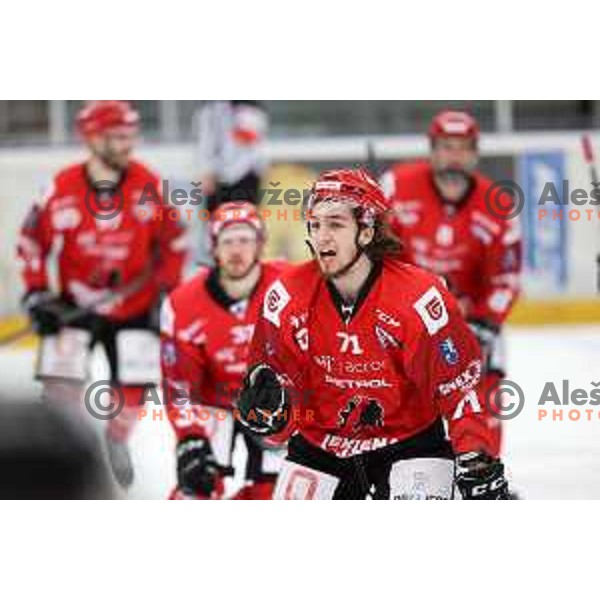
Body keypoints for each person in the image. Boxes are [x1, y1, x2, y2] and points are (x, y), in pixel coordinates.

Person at [237, 168, 509, 500]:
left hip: (410, 441)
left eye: (336, 224)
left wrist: (474, 456)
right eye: (315, 224)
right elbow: (275, 401)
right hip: (320, 444)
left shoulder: (419, 298)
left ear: (366, 231)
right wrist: (272, 419)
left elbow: (458, 387)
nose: (321, 237)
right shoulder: (286, 298)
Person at [16, 100, 187, 489]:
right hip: (74, 307)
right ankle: (72, 447)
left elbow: (174, 243)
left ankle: (116, 439)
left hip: (137, 306)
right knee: (59, 385)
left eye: (131, 136)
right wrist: (37, 294)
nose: (128, 144)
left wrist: (166, 291)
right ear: (91, 138)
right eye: (117, 136)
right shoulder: (60, 188)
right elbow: (31, 242)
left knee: (136, 388)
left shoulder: (150, 185)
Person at [380, 110, 522, 460]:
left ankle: (485, 471)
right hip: (403, 315)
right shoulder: (395, 186)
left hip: (469, 321)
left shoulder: (498, 205)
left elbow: (507, 277)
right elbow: (374, 253)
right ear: (432, 149)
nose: (454, 156)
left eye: (462, 148)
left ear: (474, 153)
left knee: (486, 387)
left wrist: (487, 322)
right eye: (446, 147)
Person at [161, 201, 286, 499]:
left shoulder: (292, 284)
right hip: (214, 406)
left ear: (260, 245)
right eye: (227, 241)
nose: (236, 250)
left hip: (278, 404)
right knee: (195, 487)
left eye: (245, 239)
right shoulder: (182, 304)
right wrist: (190, 437)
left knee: (278, 494)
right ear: (214, 249)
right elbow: (178, 387)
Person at [195, 101, 268, 212]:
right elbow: (205, 143)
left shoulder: (251, 110)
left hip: (245, 174)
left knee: (244, 218)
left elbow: (251, 140)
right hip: (217, 178)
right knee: (217, 220)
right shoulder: (209, 110)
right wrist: (207, 170)